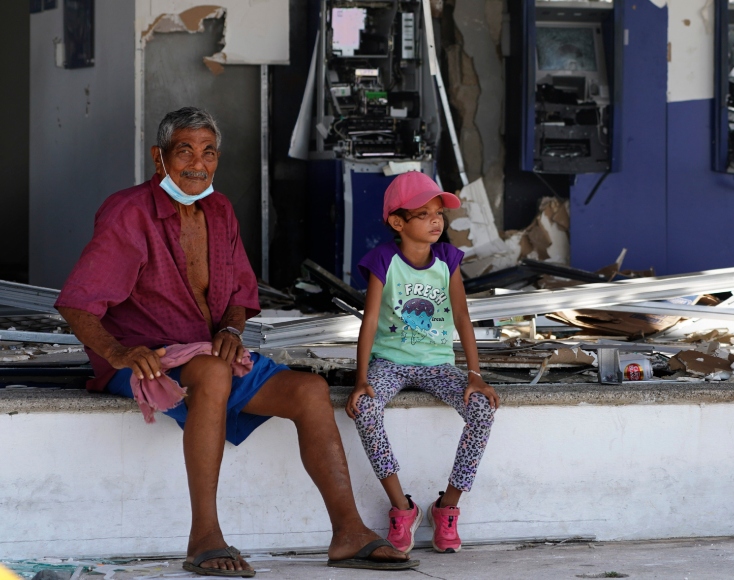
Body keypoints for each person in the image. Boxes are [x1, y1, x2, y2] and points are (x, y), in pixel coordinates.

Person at [56, 107, 417, 576]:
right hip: (144, 359)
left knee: (308, 391)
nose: (197, 163)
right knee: (211, 370)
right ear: (159, 158)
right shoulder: (129, 212)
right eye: (184, 150)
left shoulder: (220, 210)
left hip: (210, 354)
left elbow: (240, 297)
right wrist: (120, 354)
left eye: (208, 153)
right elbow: (77, 303)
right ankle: (204, 537)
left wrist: (229, 329)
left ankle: (348, 532)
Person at [345, 171, 500, 555]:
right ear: (398, 222)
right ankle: (403, 508)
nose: (436, 220)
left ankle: (447, 508)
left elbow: (462, 316)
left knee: (481, 409)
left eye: (438, 213)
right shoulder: (384, 259)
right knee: (365, 409)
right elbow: (369, 321)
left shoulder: (447, 259)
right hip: (390, 363)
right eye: (424, 213)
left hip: (437, 365)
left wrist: (474, 375)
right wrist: (362, 378)